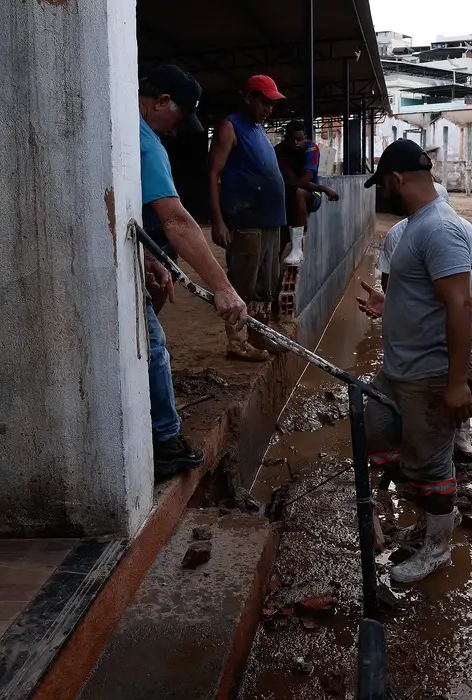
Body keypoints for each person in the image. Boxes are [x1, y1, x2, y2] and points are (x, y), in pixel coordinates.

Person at [356, 139, 472, 584]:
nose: (383, 193)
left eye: (383, 185)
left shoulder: (438, 229)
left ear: (397, 179)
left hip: (429, 373)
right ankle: (426, 514)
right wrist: (389, 303)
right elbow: (423, 295)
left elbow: (460, 304)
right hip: (398, 370)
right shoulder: (416, 227)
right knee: (375, 430)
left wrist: (457, 383)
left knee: (432, 463)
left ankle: (438, 549)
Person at [138, 65, 249, 479]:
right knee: (152, 346)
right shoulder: (145, 142)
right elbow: (176, 220)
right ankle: (165, 442)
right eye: (179, 117)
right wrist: (222, 287)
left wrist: (149, 257)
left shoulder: (123, 129)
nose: (177, 129)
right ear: (162, 101)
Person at [376, 181, 472, 457]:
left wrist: (467, 297)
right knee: (421, 377)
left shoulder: (457, 228)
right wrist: (393, 305)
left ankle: (460, 435)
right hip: (420, 323)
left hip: (463, 316)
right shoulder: (397, 235)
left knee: (461, 371)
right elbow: (390, 282)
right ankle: (419, 431)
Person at [209, 75, 288, 362]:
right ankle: (237, 342)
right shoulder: (230, 127)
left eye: (272, 104)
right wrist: (218, 220)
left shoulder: (258, 129)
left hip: (270, 220)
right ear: (247, 97)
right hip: (246, 220)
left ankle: (258, 334)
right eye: (264, 102)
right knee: (242, 283)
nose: (269, 109)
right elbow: (213, 174)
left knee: (265, 284)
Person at [275, 120, 340, 266]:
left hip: (311, 195)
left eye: (300, 139)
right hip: (286, 196)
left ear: (305, 137)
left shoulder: (312, 148)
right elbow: (292, 180)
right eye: (292, 139)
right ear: (286, 138)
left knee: (299, 192)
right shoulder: (278, 151)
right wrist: (324, 188)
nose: (296, 143)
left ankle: (297, 249)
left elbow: (305, 180)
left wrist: (319, 189)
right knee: (280, 239)